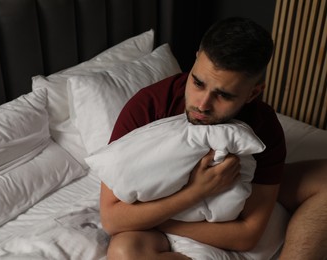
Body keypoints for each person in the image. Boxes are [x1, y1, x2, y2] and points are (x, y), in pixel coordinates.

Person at [100, 17, 327, 260]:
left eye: (224, 95)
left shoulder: (263, 125)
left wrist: (162, 220)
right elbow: (112, 219)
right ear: (197, 58)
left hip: (230, 195)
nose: (202, 104)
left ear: (253, 92)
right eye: (198, 82)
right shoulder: (150, 106)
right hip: (160, 208)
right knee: (124, 254)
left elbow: (247, 236)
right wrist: (195, 192)